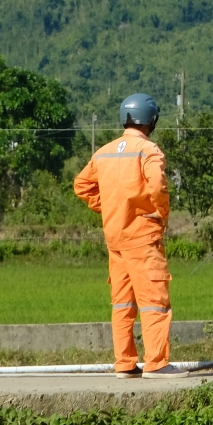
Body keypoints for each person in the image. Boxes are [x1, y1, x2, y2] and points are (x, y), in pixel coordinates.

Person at [73, 93, 180, 378]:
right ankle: (157, 363)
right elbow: (157, 184)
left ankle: (125, 364)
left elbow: (81, 185)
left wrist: (107, 206)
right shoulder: (148, 151)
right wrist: (161, 212)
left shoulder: (104, 152)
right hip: (142, 237)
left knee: (123, 302)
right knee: (154, 299)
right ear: (151, 121)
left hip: (115, 239)